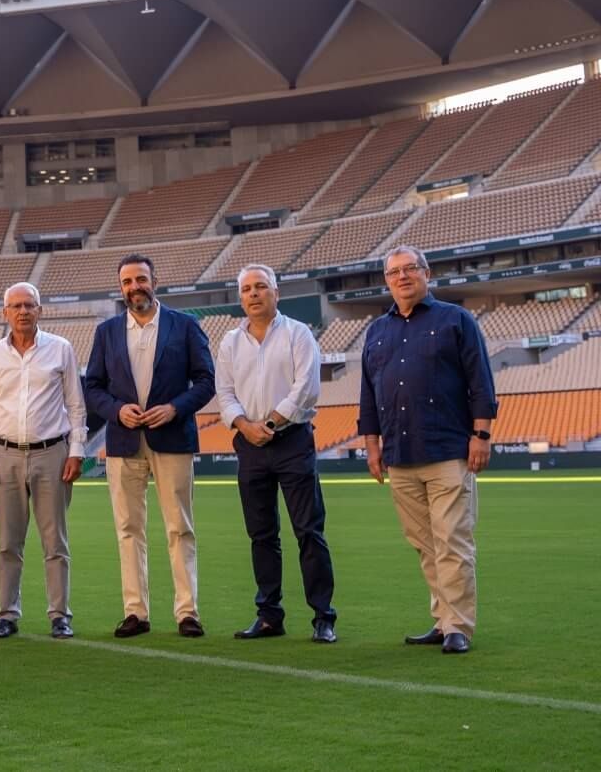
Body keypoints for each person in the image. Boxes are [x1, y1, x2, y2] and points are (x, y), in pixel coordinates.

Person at [360, 245, 497, 655]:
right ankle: (442, 619)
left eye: (410, 269)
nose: (402, 277)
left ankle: (459, 625)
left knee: (452, 540)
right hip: (400, 454)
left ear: (426, 273)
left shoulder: (456, 320)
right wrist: (371, 444)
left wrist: (482, 435)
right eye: (393, 272)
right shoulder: (377, 331)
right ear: (386, 280)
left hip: (448, 451)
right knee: (425, 543)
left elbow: (481, 382)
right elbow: (369, 392)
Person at [85, 253, 214, 639]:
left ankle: (187, 612)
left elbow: (207, 381)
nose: (134, 287)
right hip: (123, 442)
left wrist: (175, 408)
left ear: (154, 281)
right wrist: (116, 409)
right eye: (127, 282)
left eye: (140, 279)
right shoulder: (107, 331)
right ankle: (135, 612)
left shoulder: (185, 326)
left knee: (180, 528)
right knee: (128, 529)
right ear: (120, 287)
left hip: (172, 439)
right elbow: (93, 387)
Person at [215, 264, 336, 644]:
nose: (253, 294)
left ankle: (323, 617)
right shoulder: (230, 343)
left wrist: (269, 422)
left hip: (292, 441)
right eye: (247, 289)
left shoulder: (298, 334)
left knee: (308, 531)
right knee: (261, 534)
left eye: (261, 287)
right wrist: (245, 426)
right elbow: (225, 394)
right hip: (249, 445)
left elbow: (307, 387)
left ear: (276, 293)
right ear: (240, 297)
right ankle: (269, 615)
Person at [0, 282, 87, 640]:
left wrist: (76, 451)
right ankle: (7, 614)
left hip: (52, 453)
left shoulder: (61, 349)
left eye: (29, 305)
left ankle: (60, 615)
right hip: (5, 455)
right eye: (16, 306)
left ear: (40, 310)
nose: (23, 311)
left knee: (55, 543)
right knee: (8, 542)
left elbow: (76, 404)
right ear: (5, 313)